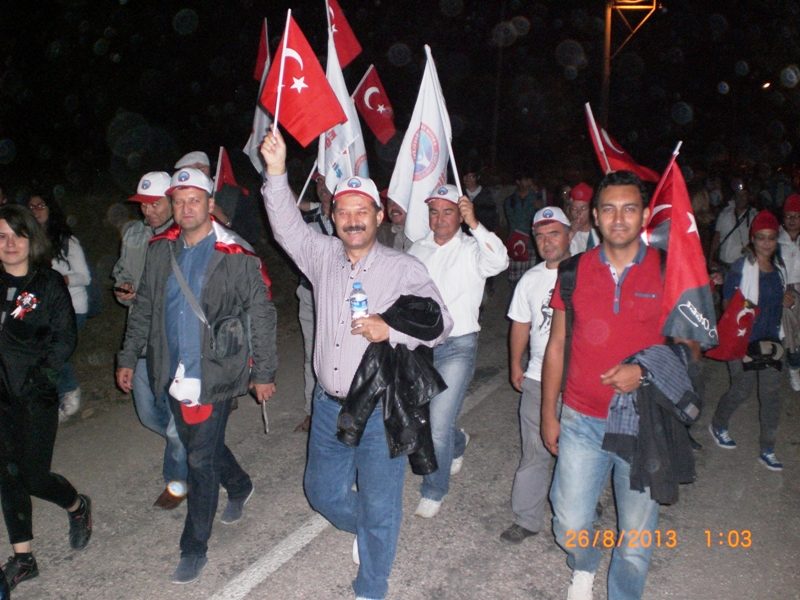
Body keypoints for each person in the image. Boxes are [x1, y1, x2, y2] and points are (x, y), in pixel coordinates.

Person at [261, 127, 452, 600]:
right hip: (329, 406)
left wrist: (392, 330)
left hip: (382, 407)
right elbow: (285, 226)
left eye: (361, 211)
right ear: (333, 217)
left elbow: (441, 323)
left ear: (378, 216)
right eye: (343, 211)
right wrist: (277, 171)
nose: (352, 220)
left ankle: (372, 584)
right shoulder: (321, 255)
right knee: (321, 493)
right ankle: (367, 531)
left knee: (382, 503)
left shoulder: (402, 268)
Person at [116, 168, 277, 584]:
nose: (186, 208)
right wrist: (128, 356)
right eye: (179, 200)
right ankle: (239, 484)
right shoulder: (160, 251)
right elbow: (145, 307)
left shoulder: (235, 252)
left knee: (199, 459)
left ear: (210, 204)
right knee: (199, 445)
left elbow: (261, 313)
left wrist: (264, 370)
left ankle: (194, 547)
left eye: (195, 200)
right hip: (172, 371)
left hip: (216, 371)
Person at [541, 170, 666, 600]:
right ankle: (584, 563)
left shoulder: (667, 270)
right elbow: (557, 344)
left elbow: (690, 349)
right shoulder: (574, 271)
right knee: (569, 521)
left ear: (644, 215)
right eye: (608, 209)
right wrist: (549, 414)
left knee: (636, 534)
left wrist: (644, 371)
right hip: (581, 418)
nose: (618, 218)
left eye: (629, 209)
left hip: (644, 422)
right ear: (594, 216)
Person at [0, 205, 92, 592]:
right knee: (8, 475)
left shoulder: (47, 283)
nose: (10, 244)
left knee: (34, 477)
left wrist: (41, 379)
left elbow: (65, 338)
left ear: (31, 239)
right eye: (1, 236)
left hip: (34, 396)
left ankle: (77, 505)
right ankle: (24, 559)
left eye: (17, 235)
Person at [407, 184, 508, 518]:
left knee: (437, 424)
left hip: (458, 345)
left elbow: (500, 260)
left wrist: (476, 224)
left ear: (460, 215)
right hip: (422, 347)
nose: (440, 219)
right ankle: (459, 442)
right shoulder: (417, 249)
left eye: (448, 211)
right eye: (434, 212)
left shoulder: (472, 248)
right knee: (423, 419)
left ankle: (434, 490)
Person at [112, 171, 187, 509]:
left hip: (174, 342)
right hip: (141, 338)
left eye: (155, 204)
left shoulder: (185, 236)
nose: (148, 211)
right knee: (148, 414)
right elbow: (122, 273)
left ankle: (178, 482)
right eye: (143, 205)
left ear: (171, 200)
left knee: (175, 423)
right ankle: (194, 442)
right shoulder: (133, 234)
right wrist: (123, 288)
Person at [500, 206, 572, 544]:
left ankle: (580, 502)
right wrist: (516, 363)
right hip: (538, 377)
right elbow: (520, 324)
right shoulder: (530, 279)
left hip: (580, 380)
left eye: (554, 233)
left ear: (569, 235)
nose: (547, 241)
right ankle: (527, 517)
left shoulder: (588, 272)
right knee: (535, 449)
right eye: (540, 236)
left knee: (580, 451)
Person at [709, 210, 789, 471]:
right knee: (741, 389)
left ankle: (767, 449)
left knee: (771, 396)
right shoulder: (741, 267)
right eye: (761, 237)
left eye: (771, 238)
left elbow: (780, 302)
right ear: (753, 239)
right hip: (742, 339)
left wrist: (789, 299)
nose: (766, 243)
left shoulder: (779, 268)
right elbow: (728, 306)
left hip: (771, 340)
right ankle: (718, 424)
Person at [26, 191, 90, 422]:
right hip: (44, 309)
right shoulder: (27, 242)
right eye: (31, 207)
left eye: (41, 205)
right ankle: (53, 398)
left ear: (50, 208)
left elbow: (85, 277)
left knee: (54, 351)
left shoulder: (66, 240)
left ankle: (70, 391)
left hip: (72, 306)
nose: (36, 210)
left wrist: (62, 280)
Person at [295, 174, 336, 432]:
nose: (322, 186)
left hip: (340, 295)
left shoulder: (350, 218)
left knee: (341, 352)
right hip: (309, 293)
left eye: (327, 180)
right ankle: (312, 413)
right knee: (312, 353)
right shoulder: (308, 218)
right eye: (319, 182)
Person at [175, 151, 262, 246]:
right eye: (188, 171)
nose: (195, 174)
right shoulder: (176, 198)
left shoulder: (231, 194)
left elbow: (252, 235)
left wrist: (224, 219)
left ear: (207, 169)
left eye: (200, 169)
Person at [709, 177, 758, 269]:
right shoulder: (725, 213)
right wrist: (711, 259)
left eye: (744, 194)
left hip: (742, 266)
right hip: (723, 264)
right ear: (734, 197)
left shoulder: (755, 216)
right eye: (738, 195)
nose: (741, 198)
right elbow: (716, 237)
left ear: (748, 196)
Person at [777, 194, 800, 391]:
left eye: (797, 216)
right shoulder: (774, 239)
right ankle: (793, 368)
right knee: (789, 335)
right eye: (788, 216)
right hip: (782, 292)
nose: (792, 220)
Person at [504, 171, 541, 286]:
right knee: (515, 280)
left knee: (531, 279)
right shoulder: (510, 200)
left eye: (530, 180)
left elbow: (539, 220)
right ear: (518, 182)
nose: (529, 182)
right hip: (515, 241)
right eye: (525, 180)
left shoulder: (537, 197)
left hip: (531, 243)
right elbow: (515, 221)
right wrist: (532, 206)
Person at [566, 182, 600, 256]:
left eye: (583, 208)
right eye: (574, 209)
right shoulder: (564, 231)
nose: (578, 213)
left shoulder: (600, 232)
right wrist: (569, 235)